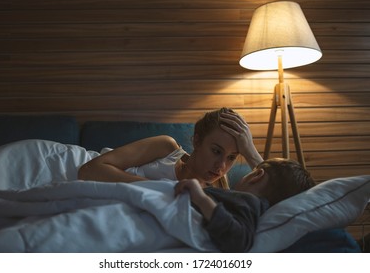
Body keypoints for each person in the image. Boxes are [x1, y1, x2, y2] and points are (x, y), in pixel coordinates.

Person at [78, 107, 263, 188]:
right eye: (216, 151)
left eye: (232, 157)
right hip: (71, 164)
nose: (221, 166)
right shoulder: (167, 148)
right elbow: (89, 170)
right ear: (197, 141)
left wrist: (251, 152)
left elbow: (284, 202)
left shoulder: (212, 196)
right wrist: (164, 188)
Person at [174, 158, 315, 252]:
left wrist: (200, 198)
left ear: (257, 175)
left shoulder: (250, 201)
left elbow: (238, 240)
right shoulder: (247, 204)